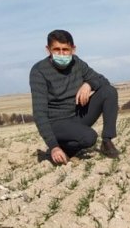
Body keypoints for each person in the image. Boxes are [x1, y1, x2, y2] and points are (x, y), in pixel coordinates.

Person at [29, 29, 120, 164]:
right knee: (89, 137)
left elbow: (102, 80)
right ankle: (59, 150)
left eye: (65, 49)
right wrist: (53, 146)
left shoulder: (77, 63)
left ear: (73, 49)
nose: (61, 54)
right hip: (57, 122)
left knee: (109, 91)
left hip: (77, 115)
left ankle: (107, 141)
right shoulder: (38, 71)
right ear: (48, 50)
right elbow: (39, 113)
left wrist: (89, 84)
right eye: (56, 49)